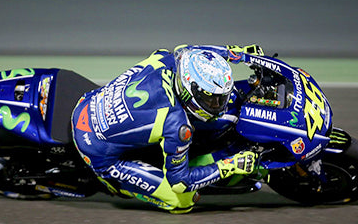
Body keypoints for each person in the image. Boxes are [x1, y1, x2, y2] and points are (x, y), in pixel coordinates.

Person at [71, 44, 264, 213]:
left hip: (88, 102)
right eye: (211, 99)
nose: (218, 105)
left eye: (220, 98)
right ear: (190, 91)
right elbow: (180, 182)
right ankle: (116, 185)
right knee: (183, 201)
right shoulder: (176, 124)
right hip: (94, 146)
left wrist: (234, 54)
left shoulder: (169, 58)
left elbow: (194, 52)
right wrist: (228, 166)